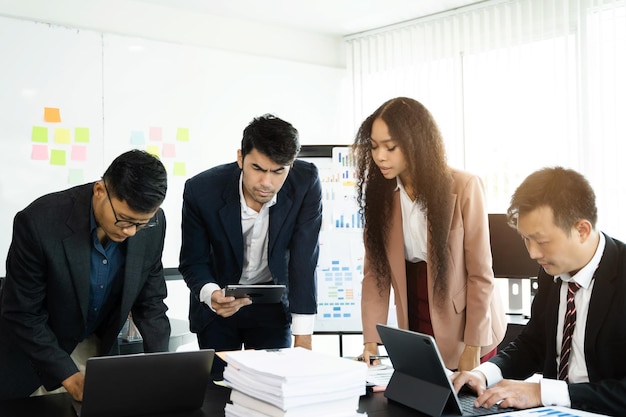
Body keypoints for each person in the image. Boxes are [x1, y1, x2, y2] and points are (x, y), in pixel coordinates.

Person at [451, 167, 626, 415]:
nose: (533, 254)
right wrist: (483, 374)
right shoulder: (551, 271)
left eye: (542, 241)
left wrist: (541, 392)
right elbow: (533, 344)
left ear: (582, 230)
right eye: (525, 239)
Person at [0, 149, 171, 402]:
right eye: (124, 220)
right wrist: (69, 376)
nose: (132, 232)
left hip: (96, 349)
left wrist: (162, 368)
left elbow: (151, 302)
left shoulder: (152, 225)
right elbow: (23, 313)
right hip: (34, 356)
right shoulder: (39, 223)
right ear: (100, 191)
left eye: (142, 223)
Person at [352, 97, 506, 371]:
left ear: (416, 143)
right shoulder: (381, 196)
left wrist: (473, 347)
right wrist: (371, 343)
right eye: (374, 147)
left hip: (467, 323)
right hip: (415, 315)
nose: (380, 156)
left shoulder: (465, 186)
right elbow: (375, 274)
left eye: (390, 147)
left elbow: (480, 275)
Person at [179, 113, 322, 378]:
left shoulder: (306, 181)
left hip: (272, 306)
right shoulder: (202, 190)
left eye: (278, 171)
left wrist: (303, 337)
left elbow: (304, 259)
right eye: (257, 168)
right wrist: (211, 294)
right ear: (240, 157)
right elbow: (193, 261)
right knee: (217, 394)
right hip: (218, 307)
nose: (267, 182)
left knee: (274, 390)